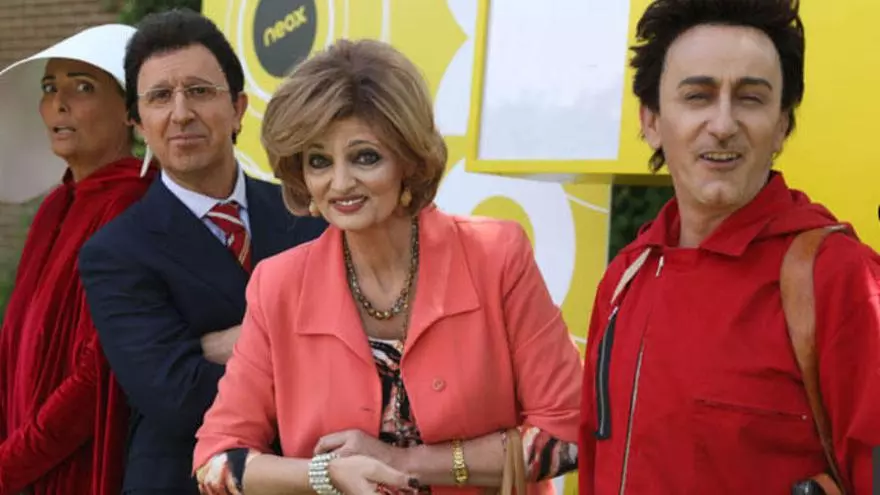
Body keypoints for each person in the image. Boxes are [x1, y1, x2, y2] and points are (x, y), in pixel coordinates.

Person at [191, 39, 582, 495]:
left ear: (408, 161)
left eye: (365, 157)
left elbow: (567, 433)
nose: (340, 183)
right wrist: (323, 476)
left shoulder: (496, 256)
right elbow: (215, 461)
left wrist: (405, 461)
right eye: (319, 161)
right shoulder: (278, 285)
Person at [577, 0, 880, 494]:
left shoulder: (837, 277)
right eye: (698, 96)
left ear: (782, 125)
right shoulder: (626, 278)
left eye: (750, 98)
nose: (722, 124)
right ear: (651, 120)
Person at [78, 10, 327, 495]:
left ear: (237, 108)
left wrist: (221, 345)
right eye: (159, 97)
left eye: (199, 90)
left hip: (312, 472)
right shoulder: (113, 253)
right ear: (137, 122)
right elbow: (178, 397)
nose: (181, 113)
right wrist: (308, 345)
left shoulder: (311, 214)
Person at [0, 24, 157, 495]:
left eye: (83, 87)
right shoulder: (55, 205)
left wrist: (12, 463)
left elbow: (100, 373)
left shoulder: (133, 202)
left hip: (77, 468)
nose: (59, 103)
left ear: (130, 112)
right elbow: (16, 343)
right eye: (50, 88)